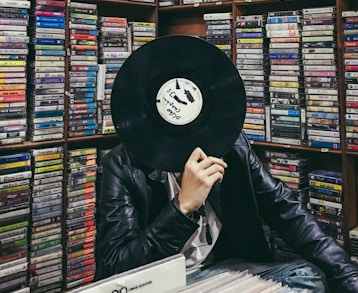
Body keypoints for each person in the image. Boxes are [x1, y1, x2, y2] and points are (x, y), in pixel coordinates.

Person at [94, 130, 358, 292]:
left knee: (310, 276)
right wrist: (182, 207)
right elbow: (116, 266)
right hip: (159, 285)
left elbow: (287, 211)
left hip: (224, 275)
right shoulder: (122, 164)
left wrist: (349, 276)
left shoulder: (233, 147)